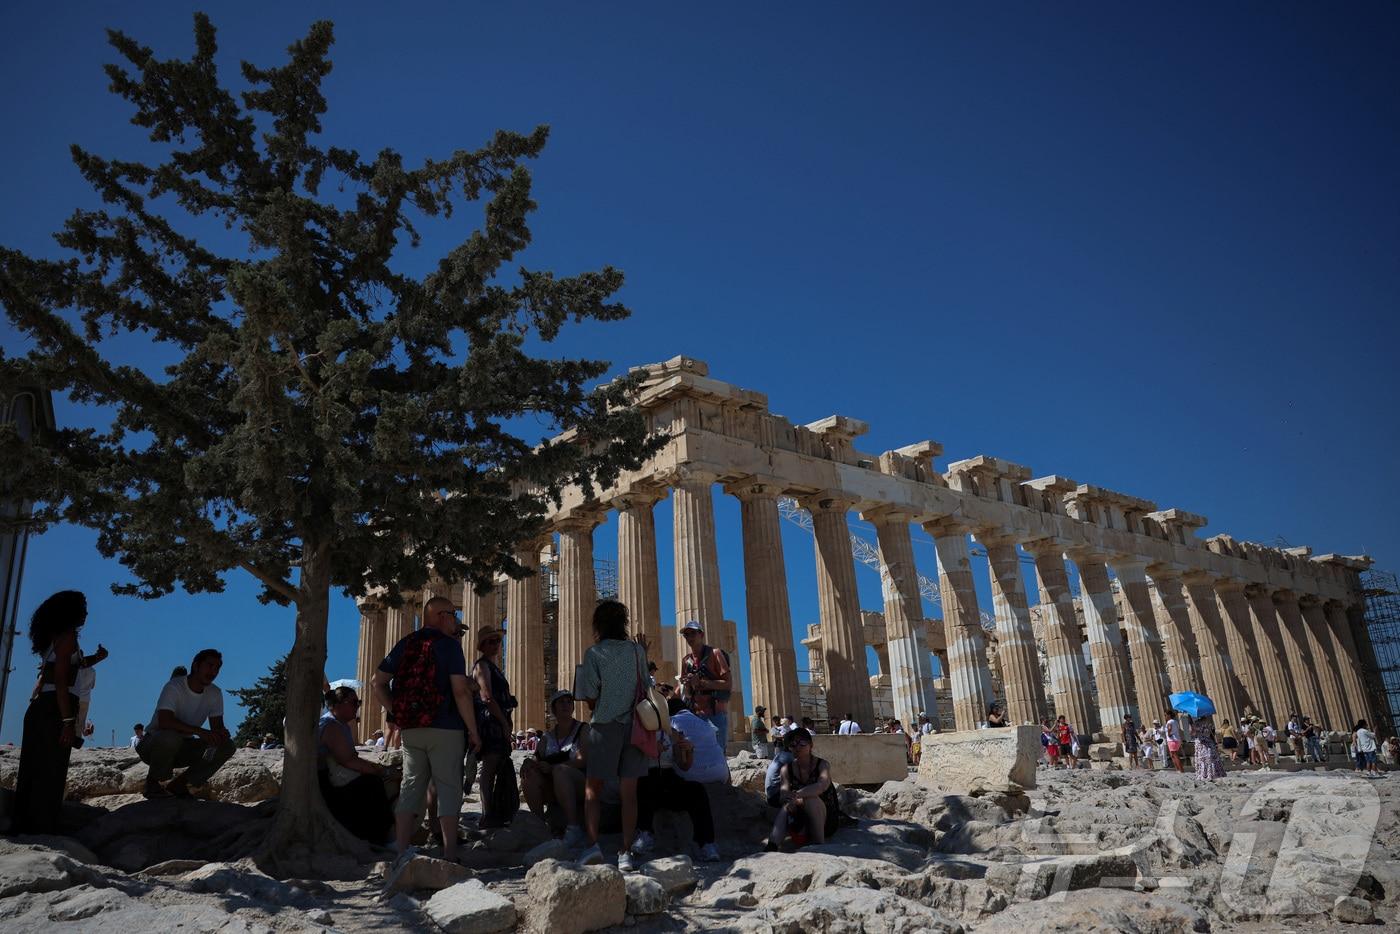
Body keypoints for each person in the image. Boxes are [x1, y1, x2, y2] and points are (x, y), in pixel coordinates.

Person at [371, 595, 482, 864]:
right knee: (448, 788)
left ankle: (401, 851)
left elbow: (377, 681)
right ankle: (449, 854)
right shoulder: (449, 646)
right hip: (445, 727)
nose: (456, 620)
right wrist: (473, 731)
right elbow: (459, 691)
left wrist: (397, 713)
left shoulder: (406, 642)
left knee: (411, 788)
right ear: (442, 616)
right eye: (453, 614)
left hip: (412, 728)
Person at [573, 599, 651, 871]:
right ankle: (625, 852)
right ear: (623, 624)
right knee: (630, 793)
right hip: (635, 727)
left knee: (593, 789)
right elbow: (648, 685)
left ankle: (593, 846)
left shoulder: (594, 654)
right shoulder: (636, 651)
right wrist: (643, 653)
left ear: (599, 625)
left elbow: (591, 696)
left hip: (604, 726)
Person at [11, 591, 89, 835]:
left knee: (33, 767)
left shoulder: (53, 638)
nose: (86, 613)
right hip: (55, 708)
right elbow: (62, 682)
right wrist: (68, 721)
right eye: (83, 608)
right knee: (51, 769)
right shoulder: (67, 638)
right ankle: (43, 826)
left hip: (41, 706)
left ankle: (24, 823)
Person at [136, 648, 236, 798]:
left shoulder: (215, 693)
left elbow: (217, 727)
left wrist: (220, 734)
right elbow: (164, 721)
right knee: (170, 737)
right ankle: (154, 782)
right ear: (196, 666)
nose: (213, 671)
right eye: (210, 665)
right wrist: (200, 731)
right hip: (154, 746)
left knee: (226, 746)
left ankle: (181, 784)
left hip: (184, 748)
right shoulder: (174, 686)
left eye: (217, 668)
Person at [636, 697, 720, 862]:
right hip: (647, 775)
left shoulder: (671, 732)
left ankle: (705, 843)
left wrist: (689, 751)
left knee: (697, 790)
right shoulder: (639, 732)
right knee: (646, 785)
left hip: (669, 776)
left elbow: (684, 765)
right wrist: (651, 749)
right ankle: (645, 834)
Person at [318, 686, 394, 844]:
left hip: (334, 777)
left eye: (358, 702)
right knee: (374, 784)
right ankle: (379, 838)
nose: (358, 706)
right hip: (326, 783)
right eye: (354, 702)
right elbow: (348, 760)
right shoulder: (331, 726)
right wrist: (378, 772)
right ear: (338, 704)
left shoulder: (341, 725)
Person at [521, 690, 588, 845]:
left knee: (560, 771)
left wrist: (553, 767)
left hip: (579, 782)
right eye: (561, 702)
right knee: (529, 773)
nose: (565, 705)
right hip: (554, 785)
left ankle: (573, 827)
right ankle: (539, 824)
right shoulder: (547, 737)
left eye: (569, 702)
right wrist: (528, 762)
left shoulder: (583, 729)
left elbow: (583, 760)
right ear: (553, 708)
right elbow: (536, 757)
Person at [472, 624, 517, 829]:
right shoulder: (482, 666)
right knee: (490, 767)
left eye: (498, 640)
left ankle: (495, 811)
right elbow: (487, 697)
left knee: (497, 765)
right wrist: (503, 723)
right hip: (491, 723)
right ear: (482, 645)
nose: (496, 644)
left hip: (498, 720)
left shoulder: (492, 666)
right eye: (491, 641)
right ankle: (486, 813)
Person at [765, 727, 839, 850]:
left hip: (825, 819)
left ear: (811, 745)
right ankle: (772, 845)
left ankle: (819, 845)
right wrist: (791, 801)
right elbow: (783, 794)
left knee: (811, 799)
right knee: (786, 806)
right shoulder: (786, 769)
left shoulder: (822, 764)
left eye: (802, 743)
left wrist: (798, 796)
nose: (797, 747)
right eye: (792, 744)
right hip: (800, 817)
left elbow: (821, 785)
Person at [679, 620, 732, 745]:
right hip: (695, 715)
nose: (689, 637)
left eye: (693, 633)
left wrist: (702, 682)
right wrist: (687, 685)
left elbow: (728, 683)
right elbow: (687, 694)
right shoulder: (686, 660)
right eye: (686, 635)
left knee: (718, 754)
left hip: (715, 714)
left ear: (701, 635)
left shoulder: (715, 654)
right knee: (699, 755)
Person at [1189, 714, 1226, 781]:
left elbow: (1192, 733)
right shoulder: (1208, 723)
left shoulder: (1196, 723)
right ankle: (1214, 773)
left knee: (1203, 759)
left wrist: (1191, 724)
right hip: (1208, 742)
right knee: (1210, 758)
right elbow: (1210, 733)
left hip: (1201, 742)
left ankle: (1204, 774)